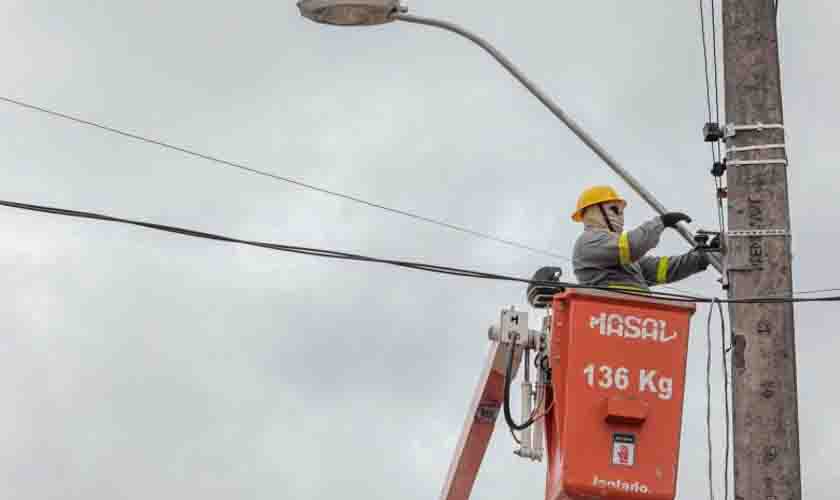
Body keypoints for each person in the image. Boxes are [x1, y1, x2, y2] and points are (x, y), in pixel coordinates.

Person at [571, 185, 713, 291]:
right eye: (615, 210)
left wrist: (702, 257)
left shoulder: (628, 261)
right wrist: (661, 222)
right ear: (595, 211)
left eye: (621, 212)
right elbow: (631, 246)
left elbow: (663, 269)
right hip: (608, 316)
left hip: (635, 319)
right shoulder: (588, 242)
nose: (621, 216)